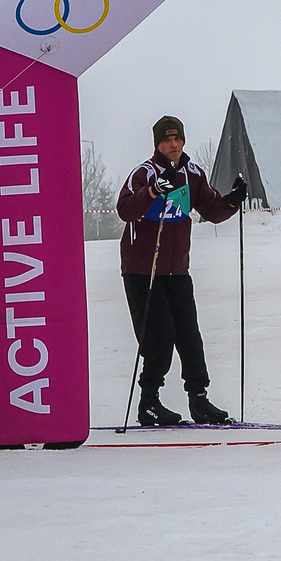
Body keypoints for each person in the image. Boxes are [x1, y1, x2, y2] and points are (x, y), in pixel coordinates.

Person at [116, 116, 246, 426]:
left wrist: (232, 200)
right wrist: (151, 191)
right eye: (166, 140)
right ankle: (149, 402)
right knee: (158, 339)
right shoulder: (145, 173)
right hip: (143, 271)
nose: (173, 145)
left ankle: (199, 400)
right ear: (157, 144)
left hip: (177, 270)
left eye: (177, 139)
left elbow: (211, 209)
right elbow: (125, 210)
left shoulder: (193, 174)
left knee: (189, 335)